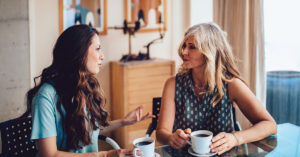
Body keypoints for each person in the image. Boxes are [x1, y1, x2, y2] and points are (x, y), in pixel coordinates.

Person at [23, 24, 153, 157]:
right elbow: (49, 154)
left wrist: (123, 121)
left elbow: (87, 129)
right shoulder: (45, 97)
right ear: (79, 52)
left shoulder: (82, 87)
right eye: (97, 49)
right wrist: (105, 155)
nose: (102, 56)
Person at [156, 22, 277, 155]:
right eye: (184, 45)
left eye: (192, 47)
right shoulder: (172, 84)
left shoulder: (231, 84)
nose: (184, 51)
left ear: (210, 52)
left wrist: (235, 138)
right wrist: (171, 138)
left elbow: (270, 125)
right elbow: (161, 133)